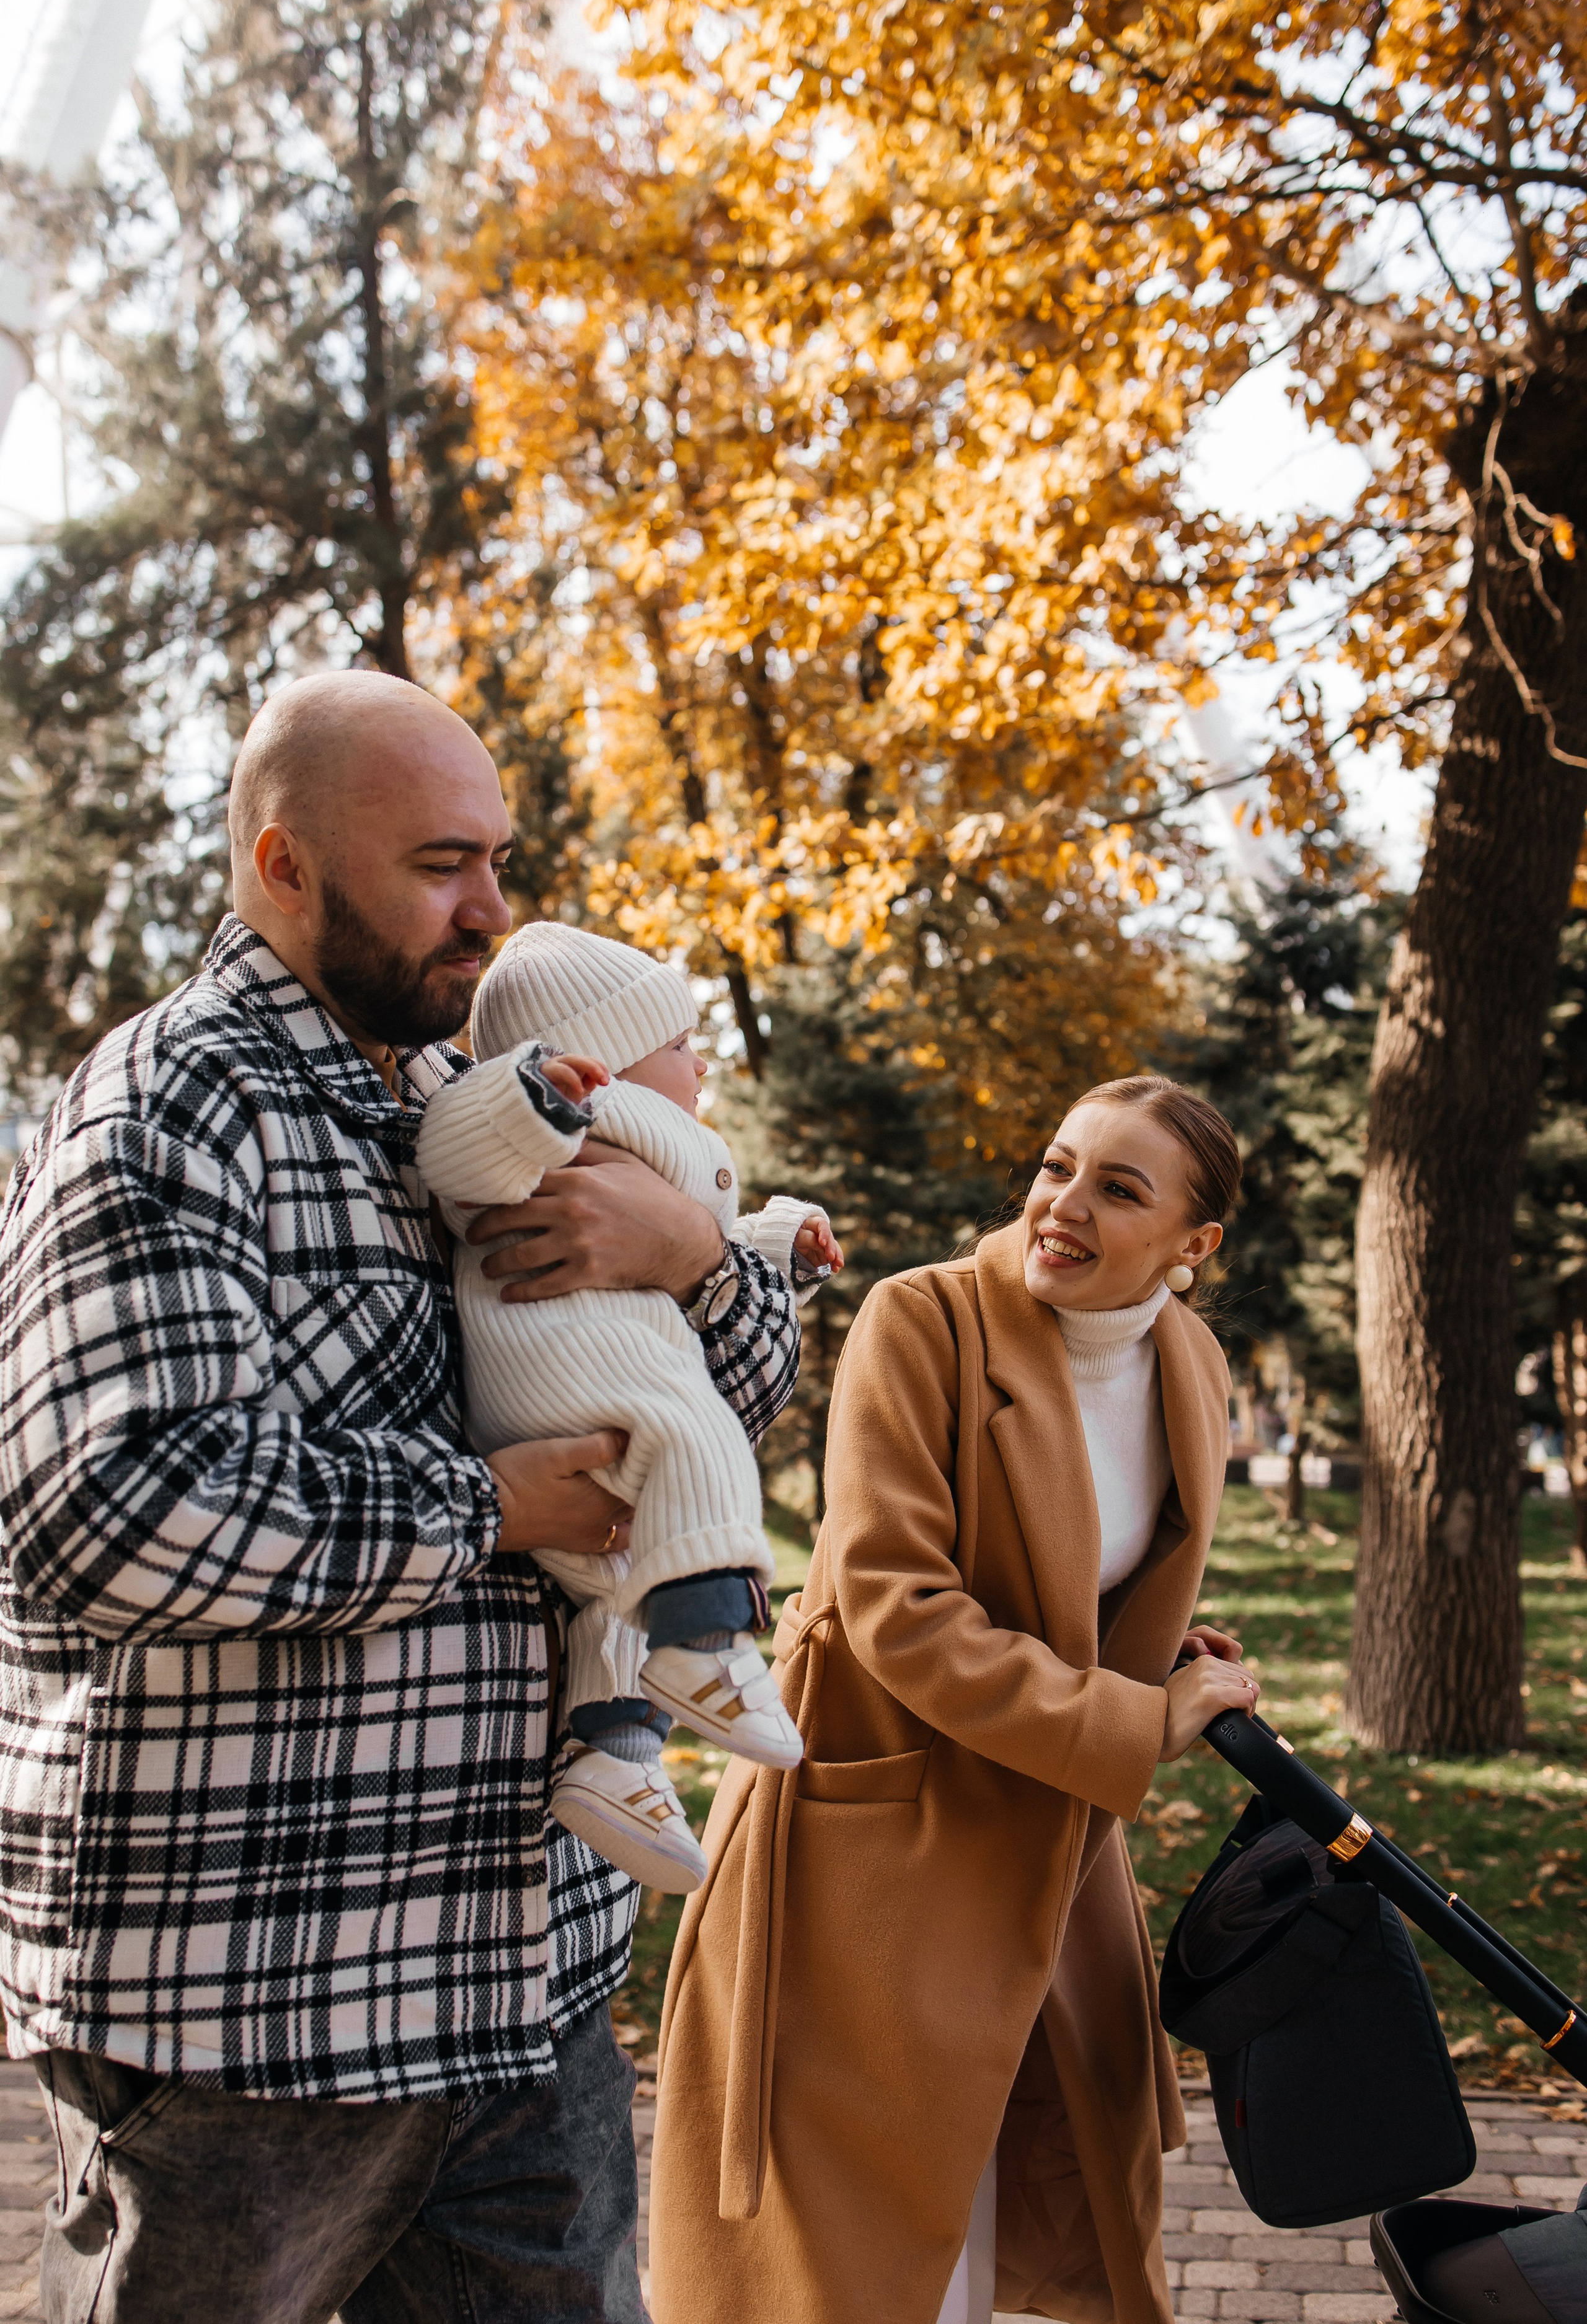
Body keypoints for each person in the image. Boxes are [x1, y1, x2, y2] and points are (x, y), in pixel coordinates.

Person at [0, 667, 806, 2324]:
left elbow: (685, 1416)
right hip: (258, 2015)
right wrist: (494, 1507)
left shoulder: (470, 1103)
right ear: (283, 866)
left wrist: (699, 1263)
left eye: (497, 862)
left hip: (521, 1981)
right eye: (444, 864)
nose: (492, 913)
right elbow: (111, 1508)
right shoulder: (168, 1105)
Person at [649, 1073, 1258, 2324]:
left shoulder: (1187, 1363)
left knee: (988, 2220)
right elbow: (897, 1610)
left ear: (1190, 1248)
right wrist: (1134, 1726)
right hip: (872, 1851)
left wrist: (1163, 1661)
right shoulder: (921, 1322)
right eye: (1055, 1166)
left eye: (1117, 1188)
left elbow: (1079, 1578)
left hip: (1039, 1839)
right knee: (852, 2259)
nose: (1062, 1204)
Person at [415, 917, 842, 1892]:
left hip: (599, 1365)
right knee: (699, 1449)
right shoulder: (571, 1111)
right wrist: (533, 1100)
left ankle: (614, 1757)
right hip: (568, 1363)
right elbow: (459, 1149)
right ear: (605, 1056)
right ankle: (706, 1645)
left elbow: (704, 1236)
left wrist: (782, 1245)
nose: (700, 1068)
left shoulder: (648, 1138)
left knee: (614, 1587)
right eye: (683, 1046)